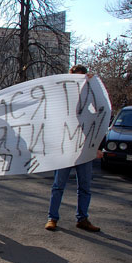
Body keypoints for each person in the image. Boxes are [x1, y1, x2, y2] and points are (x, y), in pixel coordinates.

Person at [45, 65, 102, 232]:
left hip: (84, 150)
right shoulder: (63, 97)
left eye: (82, 78)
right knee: (58, 185)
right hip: (65, 149)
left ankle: (82, 219)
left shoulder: (90, 96)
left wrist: (94, 84)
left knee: (84, 186)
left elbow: (100, 115)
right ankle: (52, 218)